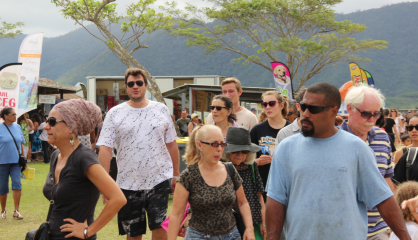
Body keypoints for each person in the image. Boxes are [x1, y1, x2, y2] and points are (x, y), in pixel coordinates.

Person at [265, 82, 410, 240]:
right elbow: (275, 201)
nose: (305, 114)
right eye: (303, 107)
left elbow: (383, 200)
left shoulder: (357, 149)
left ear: (333, 111)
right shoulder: (286, 148)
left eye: (313, 109)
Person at [97, 68, 179, 240]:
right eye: (131, 84)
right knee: (133, 234)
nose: (136, 86)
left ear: (146, 86)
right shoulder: (114, 114)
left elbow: (171, 144)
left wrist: (176, 175)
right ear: (126, 88)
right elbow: (105, 149)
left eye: (139, 83)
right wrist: (104, 182)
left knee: (160, 228)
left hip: (158, 179)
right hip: (127, 182)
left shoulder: (161, 110)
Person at [42, 99, 126, 239]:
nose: (46, 127)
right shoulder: (56, 156)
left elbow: (118, 198)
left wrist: (88, 231)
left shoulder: (83, 158)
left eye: (52, 121)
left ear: (71, 127)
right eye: (47, 121)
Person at [167, 125, 255, 240]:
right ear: (200, 145)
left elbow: (243, 203)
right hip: (199, 236)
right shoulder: (188, 176)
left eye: (222, 144)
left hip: (231, 235)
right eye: (214, 144)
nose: (219, 149)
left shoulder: (230, 170)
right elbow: (176, 214)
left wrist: (249, 228)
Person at [341, 85, 395, 239]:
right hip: (344, 230)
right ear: (349, 108)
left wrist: (393, 221)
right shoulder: (332, 140)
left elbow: (386, 179)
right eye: (365, 114)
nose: (372, 120)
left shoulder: (383, 138)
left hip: (379, 229)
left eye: (376, 114)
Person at [224, 127, 266, 240]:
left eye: (244, 151)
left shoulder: (252, 166)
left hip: (253, 222)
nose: (240, 154)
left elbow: (260, 196)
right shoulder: (221, 168)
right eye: (234, 151)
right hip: (228, 225)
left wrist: (264, 223)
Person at [250, 91, 290, 202]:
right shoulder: (257, 130)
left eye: (271, 103)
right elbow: (246, 160)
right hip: (262, 186)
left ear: (281, 105)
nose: (267, 107)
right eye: (264, 104)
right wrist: (257, 161)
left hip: (286, 186)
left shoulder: (292, 130)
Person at [0, 107, 25, 220]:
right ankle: (3, 211)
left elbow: (20, 144)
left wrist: (23, 159)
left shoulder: (18, 127)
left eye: (15, 114)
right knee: (2, 187)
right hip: (2, 163)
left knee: (17, 184)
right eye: (13, 114)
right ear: (5, 116)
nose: (15, 116)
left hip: (16, 162)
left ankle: (16, 211)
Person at [393, 114, 418, 184]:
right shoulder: (401, 153)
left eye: (417, 127)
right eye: (410, 127)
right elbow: (397, 183)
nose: (414, 130)